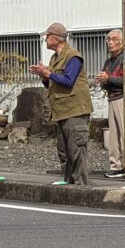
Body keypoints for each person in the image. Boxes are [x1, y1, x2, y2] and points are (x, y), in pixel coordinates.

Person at [29, 22, 94, 186]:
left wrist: (48, 73)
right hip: (61, 111)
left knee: (76, 150)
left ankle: (81, 186)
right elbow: (53, 83)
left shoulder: (73, 56)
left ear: (56, 39)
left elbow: (68, 80)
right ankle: (68, 183)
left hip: (75, 110)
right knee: (64, 151)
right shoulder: (54, 58)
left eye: (47, 37)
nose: (45, 40)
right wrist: (45, 76)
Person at [97, 29, 125, 178]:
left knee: (124, 135)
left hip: (123, 98)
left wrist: (108, 79)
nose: (110, 42)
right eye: (108, 39)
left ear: (122, 42)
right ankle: (116, 165)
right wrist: (103, 80)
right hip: (112, 97)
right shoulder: (108, 61)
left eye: (114, 39)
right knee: (113, 136)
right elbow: (106, 80)